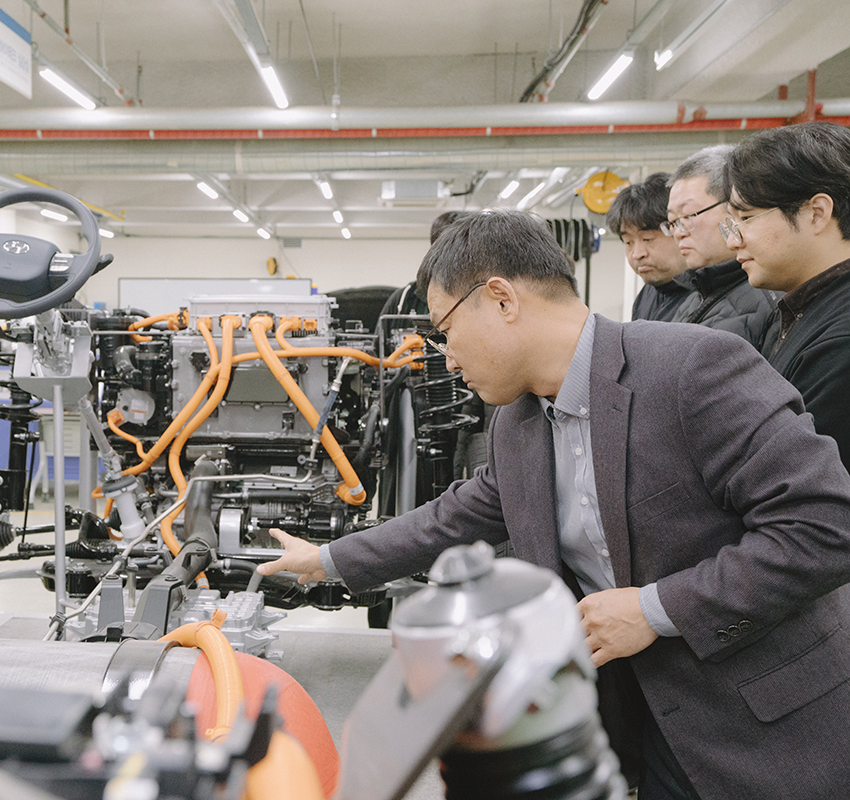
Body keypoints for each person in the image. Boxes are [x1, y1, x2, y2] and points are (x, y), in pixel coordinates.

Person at [259, 210, 850, 800]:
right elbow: (457, 513)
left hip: (763, 726)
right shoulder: (516, 424)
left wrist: (655, 607)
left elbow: (825, 524)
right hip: (640, 728)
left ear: (500, 299)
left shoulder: (694, 368)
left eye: (445, 332)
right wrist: (326, 560)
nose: (445, 356)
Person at [724, 120, 850, 475]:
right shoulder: (799, 309)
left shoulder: (840, 341)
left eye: (746, 218)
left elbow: (792, 476)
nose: (733, 240)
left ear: (817, 213)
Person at [663, 146, 777, 346]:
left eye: (688, 216)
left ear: (736, 206)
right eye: (673, 221)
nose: (678, 232)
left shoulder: (771, 297)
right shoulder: (696, 294)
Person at [605, 173, 690, 321]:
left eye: (647, 239)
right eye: (628, 242)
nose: (637, 254)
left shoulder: (706, 297)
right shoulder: (646, 297)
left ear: (678, 229)